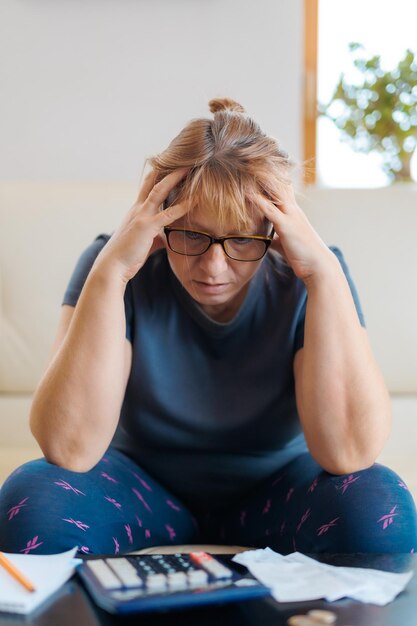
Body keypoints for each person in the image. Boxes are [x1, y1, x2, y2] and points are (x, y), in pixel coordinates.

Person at [0, 98, 416, 556]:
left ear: (273, 229)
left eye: (241, 239)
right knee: (30, 502)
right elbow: (69, 449)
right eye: (192, 235)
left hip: (275, 492)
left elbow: (350, 454)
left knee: (381, 511)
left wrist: (321, 273)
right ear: (159, 220)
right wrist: (112, 270)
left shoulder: (316, 275)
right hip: (144, 488)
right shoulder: (115, 267)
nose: (213, 267)